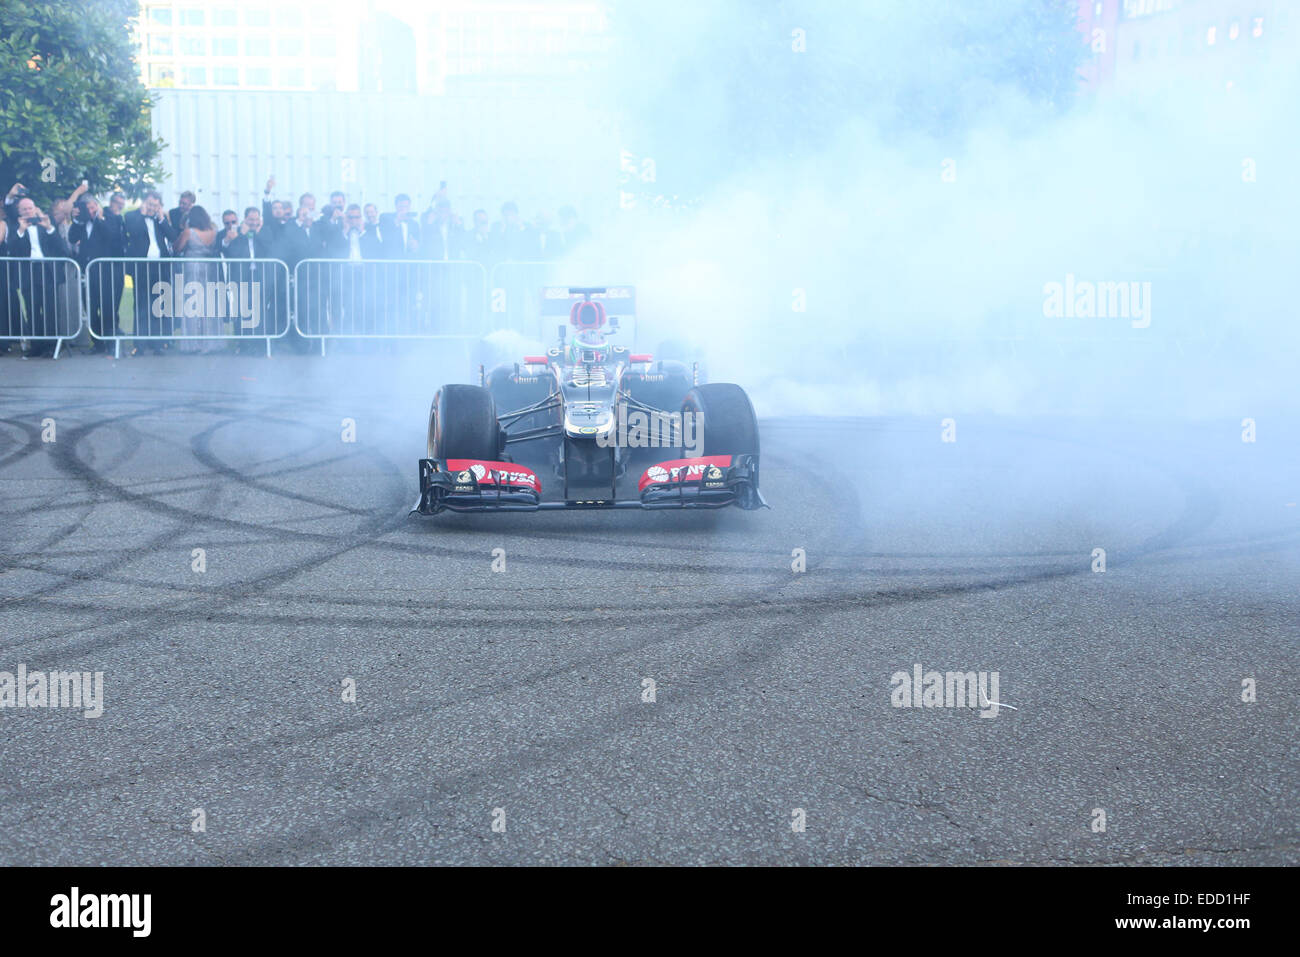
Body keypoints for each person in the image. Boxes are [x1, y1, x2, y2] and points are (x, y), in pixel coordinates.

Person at [5, 196, 73, 356]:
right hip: (28, 272)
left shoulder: (47, 224)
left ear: (35, 208)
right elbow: (12, 250)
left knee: (50, 309)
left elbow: (61, 248)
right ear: (19, 212)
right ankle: (36, 346)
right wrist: (21, 231)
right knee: (32, 309)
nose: (28, 211)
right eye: (24, 209)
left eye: (30, 208)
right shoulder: (15, 227)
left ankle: (52, 346)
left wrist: (49, 228)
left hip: (46, 271)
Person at [68, 196, 127, 351]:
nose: (90, 210)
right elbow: (72, 238)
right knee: (90, 308)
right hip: (87, 271)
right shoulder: (80, 222)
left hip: (105, 272)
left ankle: (111, 343)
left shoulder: (110, 218)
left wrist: (98, 218)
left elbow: (112, 237)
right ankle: (98, 343)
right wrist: (77, 220)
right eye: (86, 208)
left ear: (97, 205)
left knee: (108, 308)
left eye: (92, 207)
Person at [123, 190, 177, 354]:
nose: (153, 208)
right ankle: (139, 344)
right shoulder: (133, 216)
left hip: (159, 267)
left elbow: (173, 236)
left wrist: (161, 218)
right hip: (141, 267)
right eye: (150, 204)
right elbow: (132, 231)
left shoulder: (161, 220)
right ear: (144, 203)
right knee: (140, 305)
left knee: (158, 305)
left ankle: (157, 344)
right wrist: (143, 213)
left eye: (156, 205)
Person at [174, 205, 222, 352]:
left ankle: (193, 343)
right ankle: (210, 343)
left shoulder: (189, 232)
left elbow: (177, 248)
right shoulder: (214, 232)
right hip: (209, 268)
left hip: (192, 267)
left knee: (192, 304)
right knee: (209, 305)